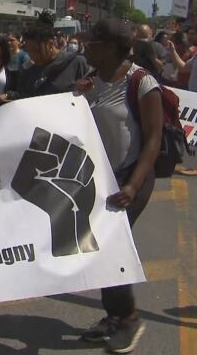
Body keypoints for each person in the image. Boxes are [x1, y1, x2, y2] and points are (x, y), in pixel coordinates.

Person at [78, 19, 162, 354]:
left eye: (92, 43)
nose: (85, 47)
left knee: (110, 250)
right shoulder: (91, 81)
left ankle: (127, 317)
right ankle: (115, 316)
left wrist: (133, 185)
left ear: (111, 47)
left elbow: (153, 140)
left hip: (131, 178)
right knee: (99, 250)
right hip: (101, 180)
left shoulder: (142, 83)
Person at [4, 11, 89, 101]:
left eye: (36, 50)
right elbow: (23, 98)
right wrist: (8, 96)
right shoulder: (28, 71)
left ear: (50, 44)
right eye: (29, 51)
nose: (32, 56)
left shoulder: (76, 63)